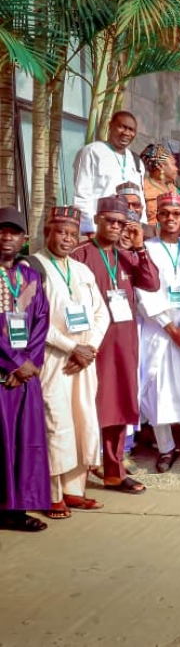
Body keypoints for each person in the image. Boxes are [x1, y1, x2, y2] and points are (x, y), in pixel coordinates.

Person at [71, 195, 159, 494]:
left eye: (121, 222)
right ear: (97, 219)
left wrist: (139, 247)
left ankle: (113, 471)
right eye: (109, 220)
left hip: (124, 343)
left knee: (119, 404)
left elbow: (151, 283)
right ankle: (76, 473)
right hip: (92, 344)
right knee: (85, 406)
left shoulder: (127, 255)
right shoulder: (80, 253)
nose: (115, 227)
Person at [32, 206, 109, 517]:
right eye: (61, 232)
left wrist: (88, 347)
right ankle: (52, 493)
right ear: (48, 231)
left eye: (72, 234)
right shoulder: (33, 266)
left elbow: (102, 312)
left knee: (82, 420)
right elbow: (33, 319)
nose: (66, 239)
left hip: (84, 360)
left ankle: (75, 490)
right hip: (54, 360)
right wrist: (70, 347)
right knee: (56, 423)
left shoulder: (81, 269)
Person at [135, 193, 180, 473]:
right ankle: (166, 448)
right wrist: (171, 328)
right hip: (160, 330)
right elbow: (142, 291)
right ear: (158, 217)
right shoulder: (147, 249)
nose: (172, 219)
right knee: (160, 392)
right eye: (166, 214)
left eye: (177, 214)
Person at [0, 208, 50, 532]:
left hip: (25, 378)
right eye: (1, 231)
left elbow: (41, 321)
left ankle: (16, 511)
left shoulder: (29, 277)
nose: (6, 237)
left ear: (24, 239)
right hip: (4, 376)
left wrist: (30, 363)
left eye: (13, 232)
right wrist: (16, 363)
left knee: (25, 443)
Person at [73, 110, 144, 235]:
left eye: (131, 130)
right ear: (110, 126)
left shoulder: (136, 161)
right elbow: (82, 195)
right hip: (100, 231)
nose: (127, 133)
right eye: (122, 127)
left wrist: (142, 229)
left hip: (128, 233)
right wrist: (89, 230)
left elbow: (141, 200)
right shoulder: (91, 152)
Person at [140, 143, 179, 225]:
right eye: (173, 164)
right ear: (160, 166)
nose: (176, 169)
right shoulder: (143, 187)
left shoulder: (174, 189)